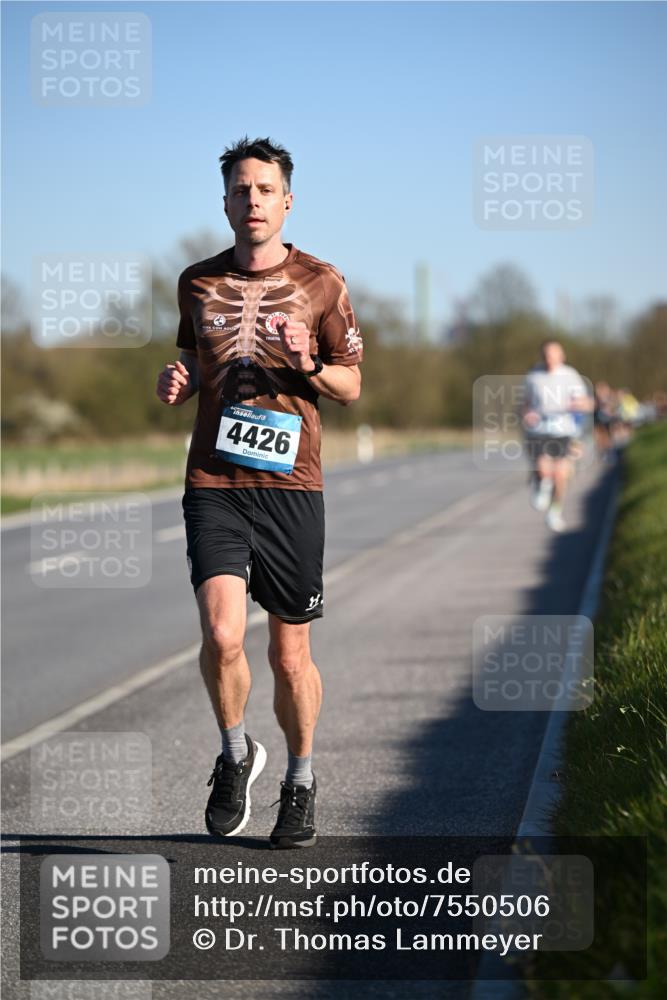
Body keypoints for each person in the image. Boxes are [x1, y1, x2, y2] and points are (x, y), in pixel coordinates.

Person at [156, 137, 363, 848]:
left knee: (288, 656)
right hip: (214, 481)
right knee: (219, 634)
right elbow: (190, 361)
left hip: (291, 486)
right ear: (225, 201)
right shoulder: (196, 283)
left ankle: (300, 781)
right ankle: (235, 752)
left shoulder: (322, 282)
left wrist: (309, 364)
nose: (252, 200)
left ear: (286, 201)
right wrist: (175, 383)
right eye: (240, 190)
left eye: (264, 189)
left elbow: (350, 385)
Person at [522, 340, 592, 532]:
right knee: (544, 468)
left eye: (553, 355)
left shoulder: (570, 376)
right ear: (542, 356)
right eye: (546, 355)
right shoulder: (533, 376)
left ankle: (555, 511)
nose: (549, 359)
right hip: (540, 429)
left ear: (562, 356)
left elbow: (587, 403)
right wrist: (527, 413)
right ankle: (541, 484)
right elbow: (524, 404)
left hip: (564, 430)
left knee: (561, 475)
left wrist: (579, 405)